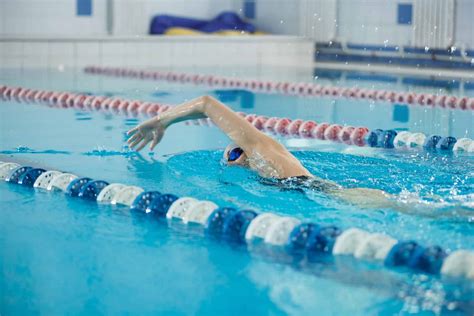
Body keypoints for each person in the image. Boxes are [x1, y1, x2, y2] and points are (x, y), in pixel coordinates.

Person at [126, 96, 459, 215]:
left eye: (233, 152)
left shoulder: (259, 146)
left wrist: (162, 120)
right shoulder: (257, 166)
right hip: (307, 191)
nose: (231, 156)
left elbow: (205, 103)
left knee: (415, 210)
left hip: (319, 189)